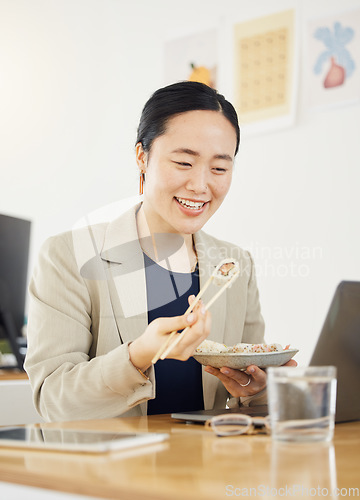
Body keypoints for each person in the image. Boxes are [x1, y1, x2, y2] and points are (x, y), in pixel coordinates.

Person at [24, 81, 292, 422]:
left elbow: (249, 393)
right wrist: (138, 356)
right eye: (183, 162)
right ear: (142, 156)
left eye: (220, 168)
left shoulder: (234, 265)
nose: (200, 184)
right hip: (108, 472)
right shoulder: (69, 256)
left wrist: (257, 388)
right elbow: (53, 400)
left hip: (208, 468)